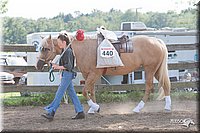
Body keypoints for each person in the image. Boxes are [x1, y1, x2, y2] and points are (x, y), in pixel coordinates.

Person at [41, 33, 85, 120]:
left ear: (64, 42)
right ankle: (80, 112)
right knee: (72, 94)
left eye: (59, 42)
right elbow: (65, 65)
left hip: (68, 74)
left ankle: (51, 112)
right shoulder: (64, 51)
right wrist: (55, 65)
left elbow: (68, 66)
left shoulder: (68, 52)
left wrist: (57, 67)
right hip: (66, 74)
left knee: (59, 93)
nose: (58, 44)